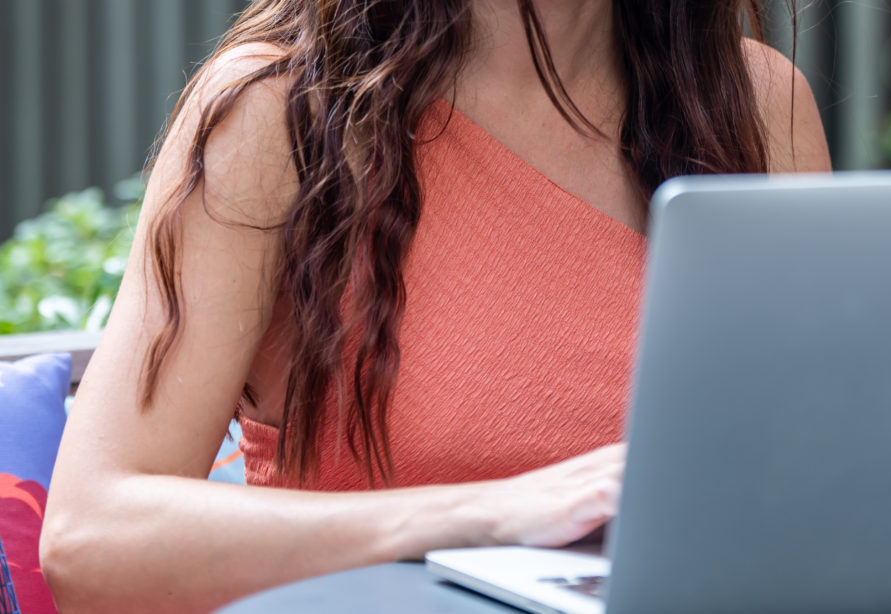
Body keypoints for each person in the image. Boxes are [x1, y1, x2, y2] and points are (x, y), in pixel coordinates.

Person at [40, 0, 831, 611]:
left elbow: (832, 472)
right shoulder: (285, 112)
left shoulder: (757, 104)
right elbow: (91, 543)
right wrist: (489, 515)